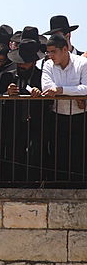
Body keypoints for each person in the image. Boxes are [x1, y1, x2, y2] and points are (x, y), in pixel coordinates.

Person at [0, 37, 45, 185]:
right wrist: (6, 93)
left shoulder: (41, 77)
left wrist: (39, 94)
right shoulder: (7, 76)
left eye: (26, 62)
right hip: (11, 123)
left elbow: (49, 99)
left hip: (36, 123)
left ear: (34, 62)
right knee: (12, 153)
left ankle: (32, 184)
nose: (22, 65)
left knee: (34, 153)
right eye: (20, 61)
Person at [42, 33, 87, 185]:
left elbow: (85, 89)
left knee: (79, 155)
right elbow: (47, 87)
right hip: (58, 116)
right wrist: (73, 92)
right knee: (59, 155)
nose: (50, 55)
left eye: (53, 51)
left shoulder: (82, 63)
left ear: (65, 49)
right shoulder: (48, 65)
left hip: (80, 117)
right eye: (48, 52)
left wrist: (61, 90)